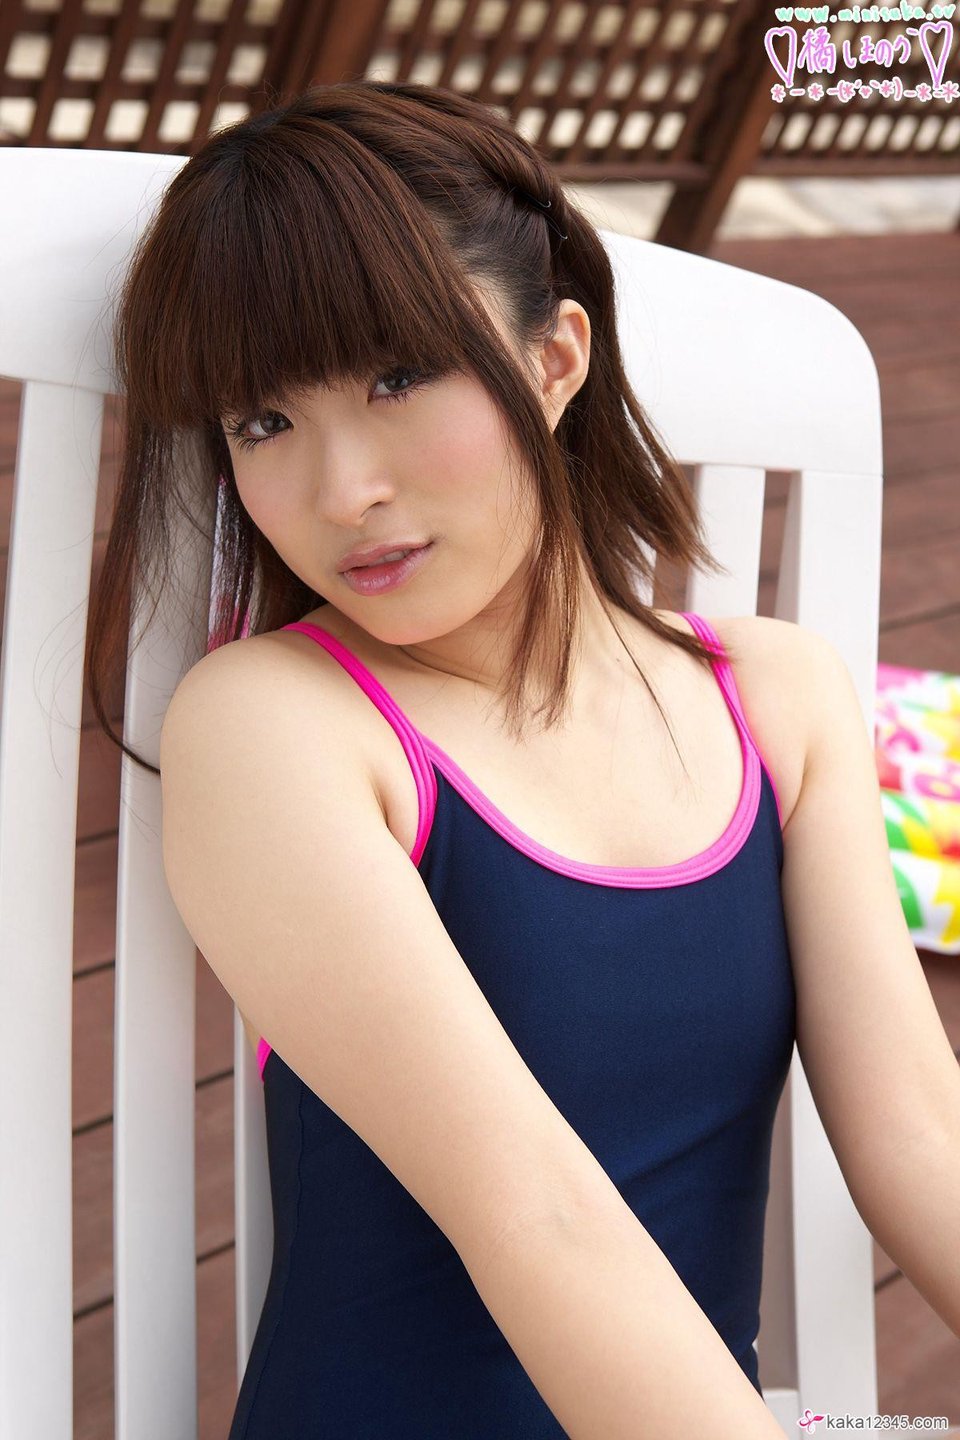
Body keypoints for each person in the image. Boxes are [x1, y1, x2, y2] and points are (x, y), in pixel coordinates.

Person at [88, 80, 802, 1437]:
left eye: (398, 375)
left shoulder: (776, 695)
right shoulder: (277, 724)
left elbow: (922, 1137)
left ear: (555, 358)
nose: (342, 490)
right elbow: (538, 1213)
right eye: (262, 422)